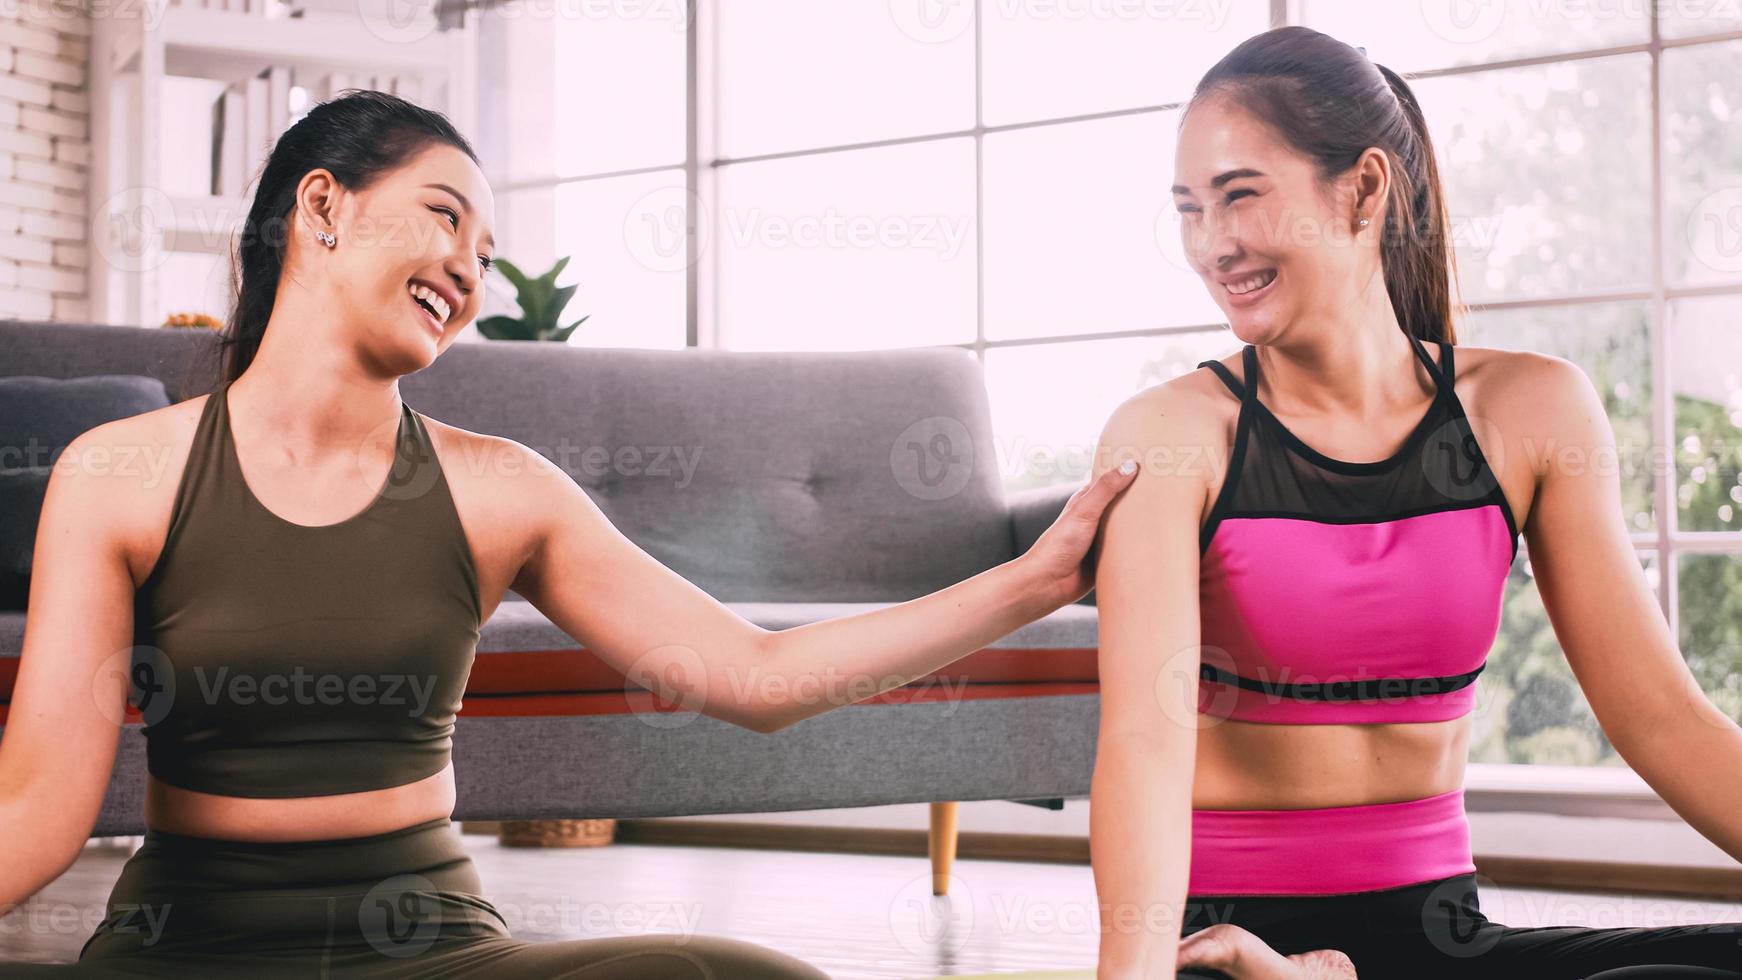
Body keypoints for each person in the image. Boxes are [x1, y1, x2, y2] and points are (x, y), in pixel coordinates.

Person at [0, 89, 1141, 977]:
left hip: (438, 946)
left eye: (484, 255)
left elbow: (756, 672)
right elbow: (37, 808)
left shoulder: (503, 489)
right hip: (188, 945)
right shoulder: (124, 473)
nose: (466, 267)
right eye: (444, 215)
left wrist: (1031, 581)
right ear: (321, 207)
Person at [1088, 26, 1742, 980]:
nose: (1211, 245)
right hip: (1236, 954)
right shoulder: (1172, 433)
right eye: (1189, 210)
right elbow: (1144, 748)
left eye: (1240, 198)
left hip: (1444, 942)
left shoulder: (1529, 410)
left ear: (1362, 188)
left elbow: (1663, 722)